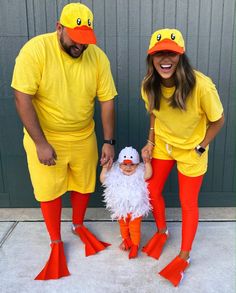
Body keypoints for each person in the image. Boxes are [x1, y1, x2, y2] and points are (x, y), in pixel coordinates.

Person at [11, 2, 117, 280]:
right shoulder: (35, 50)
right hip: (47, 137)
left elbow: (106, 100)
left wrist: (108, 141)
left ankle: (78, 225)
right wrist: (40, 142)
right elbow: (22, 97)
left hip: (83, 135)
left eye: (85, 40)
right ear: (59, 28)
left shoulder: (97, 57)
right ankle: (56, 240)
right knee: (49, 189)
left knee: (84, 184)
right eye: (75, 38)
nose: (80, 46)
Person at [141, 28, 224, 287]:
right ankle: (162, 231)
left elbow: (218, 120)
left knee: (188, 202)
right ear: (152, 57)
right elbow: (154, 113)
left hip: (191, 149)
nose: (165, 59)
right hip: (164, 144)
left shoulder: (201, 86)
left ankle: (184, 256)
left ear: (181, 56)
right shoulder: (148, 85)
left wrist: (200, 147)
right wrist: (150, 141)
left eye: (172, 53)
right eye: (159, 53)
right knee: (151, 189)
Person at [100, 146, 152, 259]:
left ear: (138, 165)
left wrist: (147, 163)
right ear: (119, 165)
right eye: (125, 164)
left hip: (135, 209)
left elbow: (148, 175)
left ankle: (135, 244)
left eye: (132, 165)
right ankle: (126, 240)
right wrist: (104, 168)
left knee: (134, 227)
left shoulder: (140, 173)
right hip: (121, 208)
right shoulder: (115, 173)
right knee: (123, 226)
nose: (128, 167)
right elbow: (103, 180)